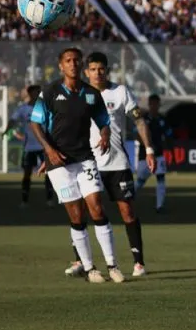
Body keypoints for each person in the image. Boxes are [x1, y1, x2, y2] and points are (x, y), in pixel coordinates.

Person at [30, 47, 124, 284]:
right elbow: (36, 124)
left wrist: (104, 134)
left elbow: (103, 121)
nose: (72, 64)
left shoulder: (91, 93)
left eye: (76, 60)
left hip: (85, 158)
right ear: (61, 66)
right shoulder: (49, 93)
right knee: (76, 213)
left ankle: (113, 265)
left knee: (97, 207)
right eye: (68, 61)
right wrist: (49, 151)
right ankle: (90, 268)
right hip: (59, 163)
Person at [61, 52, 156, 279]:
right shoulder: (79, 93)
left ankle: (138, 262)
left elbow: (139, 120)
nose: (97, 73)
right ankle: (80, 261)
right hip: (87, 162)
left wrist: (149, 150)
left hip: (117, 163)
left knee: (127, 211)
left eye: (101, 68)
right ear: (86, 72)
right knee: (80, 211)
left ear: (107, 70)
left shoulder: (120, 92)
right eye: (92, 69)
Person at [4, 85, 55, 207]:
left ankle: (49, 198)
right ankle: (24, 199)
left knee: (49, 173)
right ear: (29, 93)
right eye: (34, 92)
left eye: (38, 92)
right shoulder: (23, 109)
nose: (37, 94)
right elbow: (13, 120)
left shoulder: (45, 107)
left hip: (44, 146)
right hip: (29, 147)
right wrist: (6, 130)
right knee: (27, 174)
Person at [135, 94, 170, 214]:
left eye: (157, 104)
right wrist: (147, 146)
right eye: (153, 104)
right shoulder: (144, 119)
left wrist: (166, 145)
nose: (155, 106)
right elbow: (137, 134)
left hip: (159, 155)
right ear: (150, 105)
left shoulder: (162, 119)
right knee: (140, 181)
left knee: (161, 178)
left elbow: (168, 134)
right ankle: (126, 200)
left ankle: (159, 206)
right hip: (144, 155)